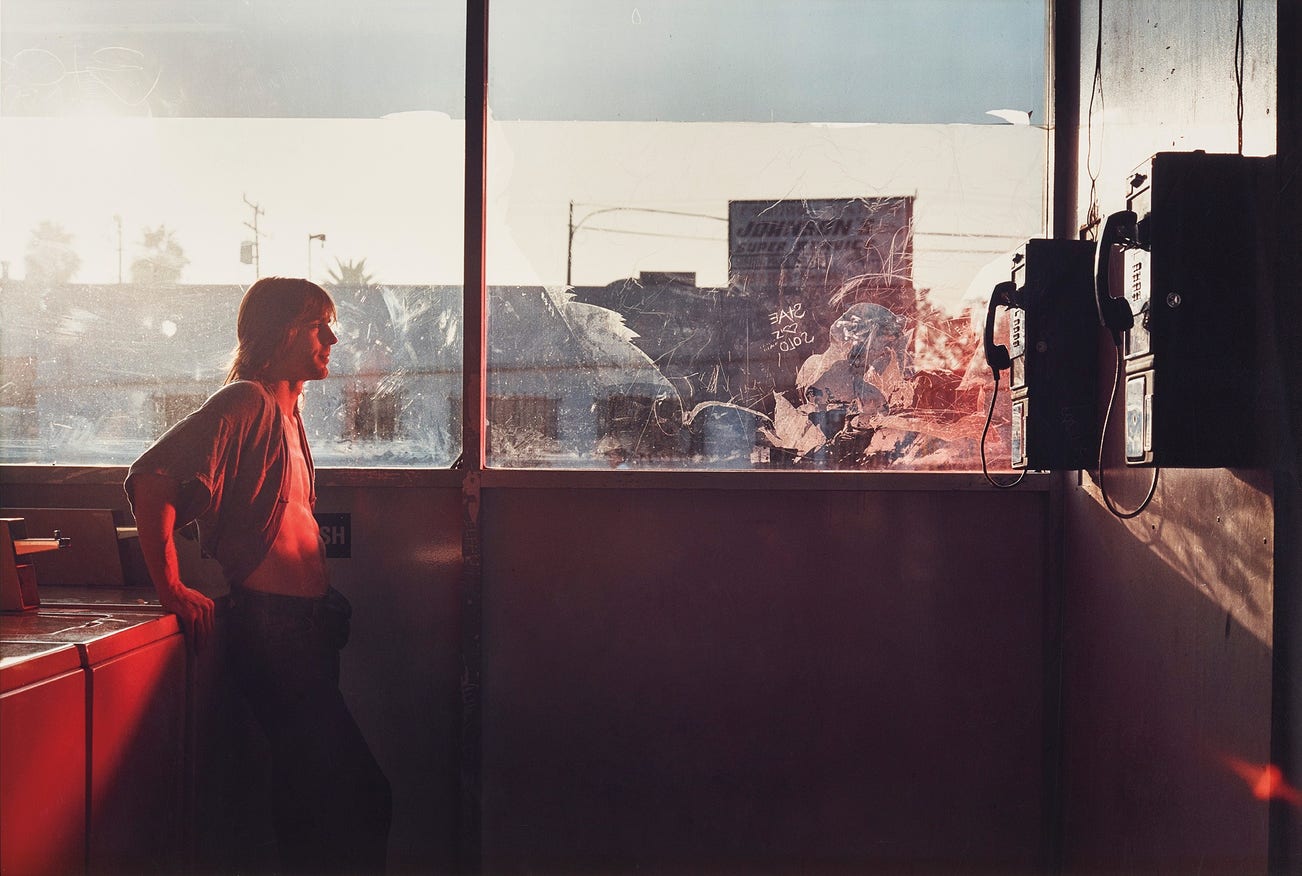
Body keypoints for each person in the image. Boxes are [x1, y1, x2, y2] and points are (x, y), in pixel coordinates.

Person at [125, 276, 391, 874]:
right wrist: (172, 588)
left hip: (308, 627)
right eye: (319, 326)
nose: (332, 340)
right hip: (273, 630)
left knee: (306, 796)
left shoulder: (290, 418)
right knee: (364, 795)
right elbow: (153, 478)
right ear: (283, 332)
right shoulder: (244, 401)